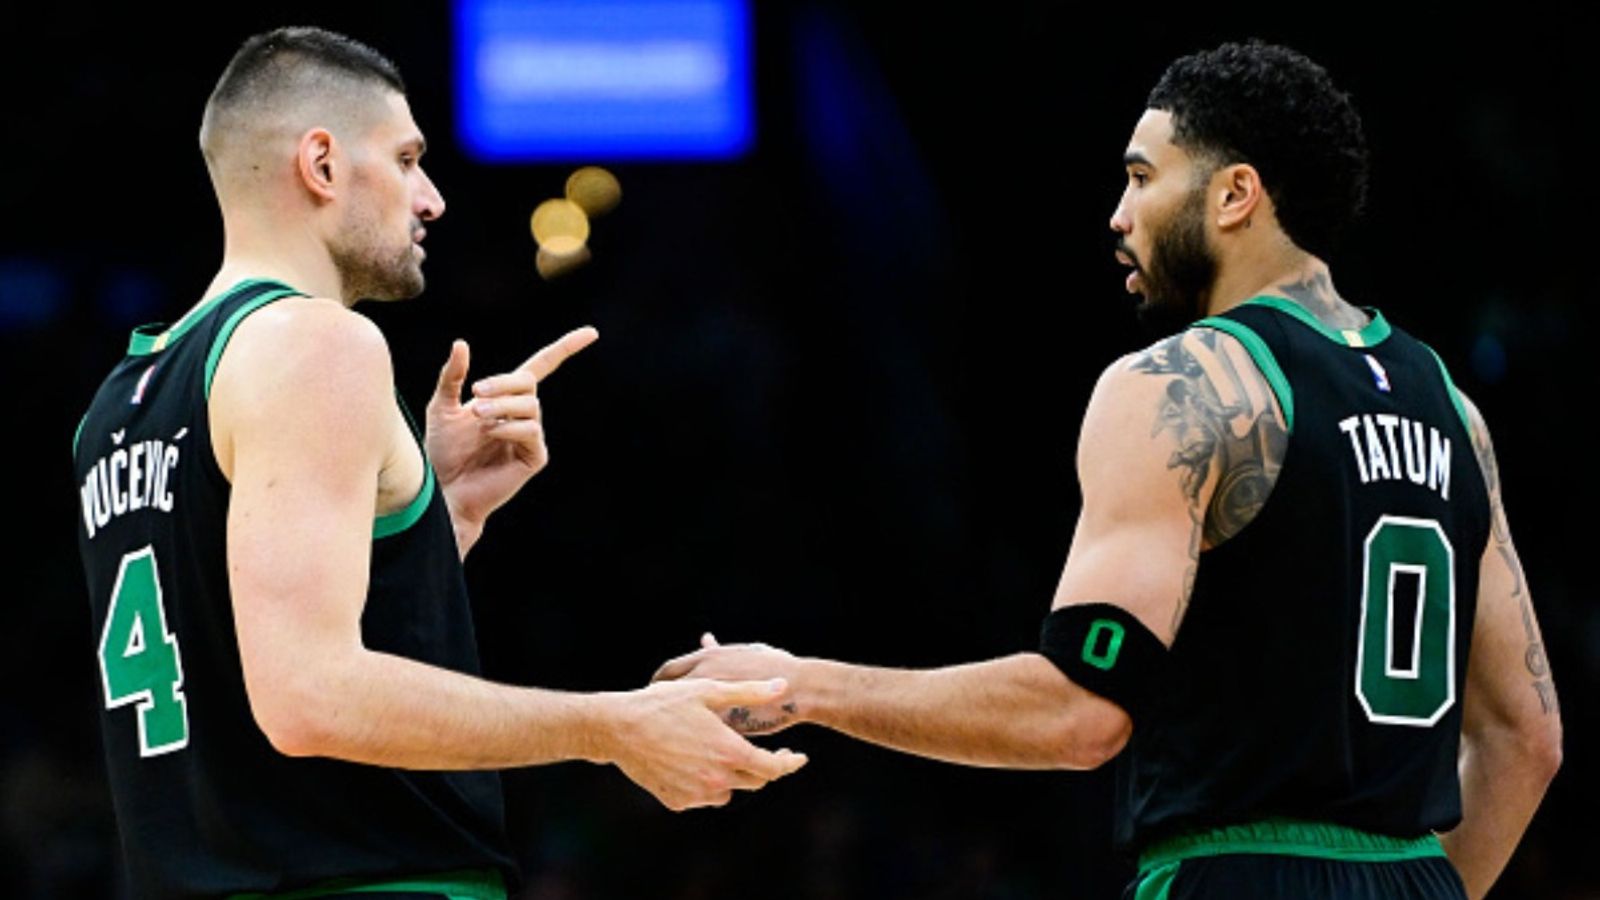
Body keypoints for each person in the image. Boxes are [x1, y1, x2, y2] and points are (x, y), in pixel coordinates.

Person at [654, 40, 1562, 899]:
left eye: (1141, 177)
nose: (1119, 217)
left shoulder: (1183, 383)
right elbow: (1528, 740)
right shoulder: (1451, 406)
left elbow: (1080, 716)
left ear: (1235, 194)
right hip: (1415, 873)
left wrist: (800, 686)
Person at [71, 26, 805, 900]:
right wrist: (615, 725)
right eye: (409, 157)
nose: (433, 198)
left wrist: (436, 516)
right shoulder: (318, 342)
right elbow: (309, 698)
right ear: (322, 163)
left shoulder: (122, 398)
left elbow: (242, 657)